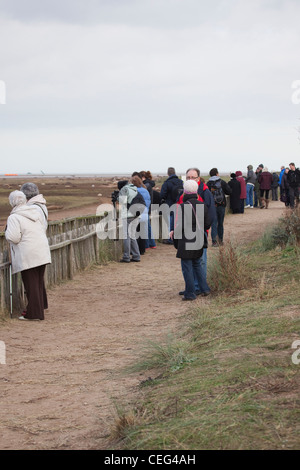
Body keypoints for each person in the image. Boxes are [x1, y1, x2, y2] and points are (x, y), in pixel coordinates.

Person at [5, 187, 51, 320]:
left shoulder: (14, 217)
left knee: (31, 284)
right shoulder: (34, 212)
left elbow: (13, 237)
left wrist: (7, 232)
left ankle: (34, 314)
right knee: (37, 282)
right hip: (41, 251)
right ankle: (38, 309)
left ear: (12, 203)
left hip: (28, 254)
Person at [171, 180, 211, 301]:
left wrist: (174, 235)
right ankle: (204, 288)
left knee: (187, 266)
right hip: (198, 238)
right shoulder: (202, 205)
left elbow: (180, 225)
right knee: (197, 264)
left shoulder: (183, 206)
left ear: (185, 191)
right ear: (196, 191)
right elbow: (208, 224)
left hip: (186, 240)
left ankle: (190, 293)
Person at [117, 180, 141, 263]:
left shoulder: (124, 189)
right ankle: (136, 255)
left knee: (126, 236)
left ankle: (126, 256)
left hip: (127, 215)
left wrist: (117, 197)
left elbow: (122, 201)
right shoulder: (134, 189)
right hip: (137, 215)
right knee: (132, 235)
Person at [207, 168, 232, 246]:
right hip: (221, 204)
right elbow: (229, 191)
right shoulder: (222, 182)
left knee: (214, 224)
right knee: (220, 223)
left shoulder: (208, 183)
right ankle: (220, 240)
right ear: (217, 174)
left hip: (212, 206)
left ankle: (214, 241)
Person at [160, 167, 183, 244]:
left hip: (169, 204)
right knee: (179, 221)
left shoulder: (167, 183)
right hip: (179, 203)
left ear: (168, 174)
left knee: (170, 222)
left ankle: (170, 239)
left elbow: (162, 194)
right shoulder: (181, 182)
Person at [131, 175, 151, 255]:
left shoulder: (134, 191)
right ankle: (142, 249)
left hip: (137, 213)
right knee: (142, 232)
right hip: (145, 212)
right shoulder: (145, 190)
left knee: (135, 232)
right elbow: (149, 201)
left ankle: (135, 250)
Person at [140, 171, 156, 249]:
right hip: (148, 207)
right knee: (148, 226)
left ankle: (147, 245)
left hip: (145, 208)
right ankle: (152, 243)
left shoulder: (145, 185)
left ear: (143, 177)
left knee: (146, 227)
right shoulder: (149, 184)